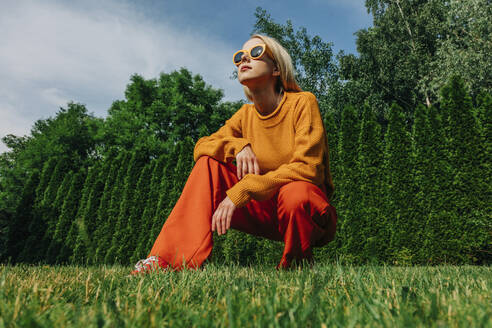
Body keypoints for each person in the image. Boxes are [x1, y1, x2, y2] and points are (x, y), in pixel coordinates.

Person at [130, 34, 338, 275]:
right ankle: (169, 261)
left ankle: (296, 264)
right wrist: (237, 146)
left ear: (276, 69)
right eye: (239, 56)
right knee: (209, 164)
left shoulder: (303, 103)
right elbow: (201, 147)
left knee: (296, 192)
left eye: (256, 53)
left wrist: (244, 189)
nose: (244, 60)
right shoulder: (245, 115)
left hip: (309, 214)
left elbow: (308, 168)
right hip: (265, 210)